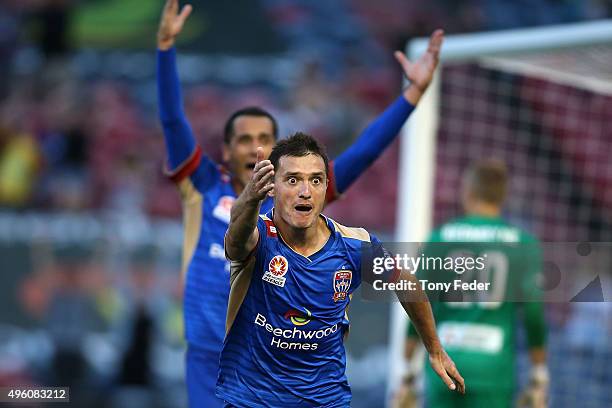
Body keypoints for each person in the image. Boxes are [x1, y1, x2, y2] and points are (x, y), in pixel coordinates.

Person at [156, 0, 445, 406]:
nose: (254, 147)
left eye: (264, 139)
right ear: (226, 149)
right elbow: (171, 121)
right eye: (243, 139)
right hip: (214, 356)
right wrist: (166, 48)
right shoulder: (203, 187)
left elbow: (364, 151)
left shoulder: (296, 192)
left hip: (291, 364)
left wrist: (411, 96)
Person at [219, 133, 464, 407]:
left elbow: (406, 283)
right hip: (252, 400)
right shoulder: (259, 238)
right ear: (272, 187)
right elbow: (238, 238)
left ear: (326, 187)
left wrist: (434, 349)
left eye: (315, 180)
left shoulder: (353, 245)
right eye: (292, 180)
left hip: (324, 400)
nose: (305, 191)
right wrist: (251, 198)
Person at [402, 160, 548, 408]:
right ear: (502, 197)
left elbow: (415, 301)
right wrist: (539, 371)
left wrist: (406, 369)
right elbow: (533, 314)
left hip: (444, 366)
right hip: (493, 371)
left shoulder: (440, 238)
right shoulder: (524, 243)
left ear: (467, 192)